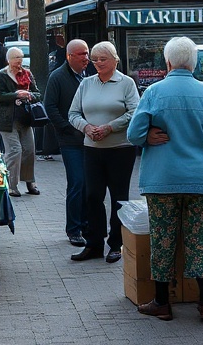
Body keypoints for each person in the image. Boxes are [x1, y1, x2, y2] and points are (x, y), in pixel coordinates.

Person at [128, 37, 203, 322]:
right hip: (200, 179)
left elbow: (133, 134)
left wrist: (148, 136)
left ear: (168, 62)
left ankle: (162, 302)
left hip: (162, 180)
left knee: (163, 238)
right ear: (194, 63)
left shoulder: (153, 92)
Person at [68, 41, 139, 263]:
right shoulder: (86, 84)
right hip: (92, 149)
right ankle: (94, 243)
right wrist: (86, 127)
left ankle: (116, 244)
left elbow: (135, 112)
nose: (97, 63)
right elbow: (73, 113)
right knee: (92, 196)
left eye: (102, 59)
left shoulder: (126, 83)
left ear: (114, 60)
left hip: (120, 149)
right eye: (94, 59)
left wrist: (110, 127)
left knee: (119, 198)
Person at [44, 39, 94, 246]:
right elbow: (51, 106)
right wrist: (66, 127)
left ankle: (86, 224)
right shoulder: (57, 77)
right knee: (77, 183)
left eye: (87, 53)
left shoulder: (90, 75)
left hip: (90, 139)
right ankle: (73, 229)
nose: (86, 58)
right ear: (69, 56)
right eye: (81, 54)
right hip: (71, 141)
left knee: (89, 185)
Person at [0, 46, 41, 198]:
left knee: (29, 150)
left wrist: (29, 95)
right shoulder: (1, 76)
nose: (18, 61)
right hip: (6, 120)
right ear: (8, 60)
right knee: (15, 151)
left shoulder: (27, 73)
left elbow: (38, 93)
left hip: (25, 118)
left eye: (20, 57)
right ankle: (11, 185)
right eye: (15, 58)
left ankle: (30, 182)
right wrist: (15, 95)